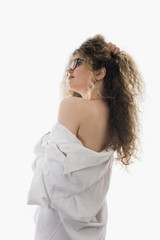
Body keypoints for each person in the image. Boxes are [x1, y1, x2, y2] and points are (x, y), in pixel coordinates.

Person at [27, 34, 144, 240]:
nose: (68, 69)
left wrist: (45, 146)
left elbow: (52, 182)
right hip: (92, 227)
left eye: (77, 62)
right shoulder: (114, 120)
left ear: (99, 73)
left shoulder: (71, 106)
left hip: (59, 225)